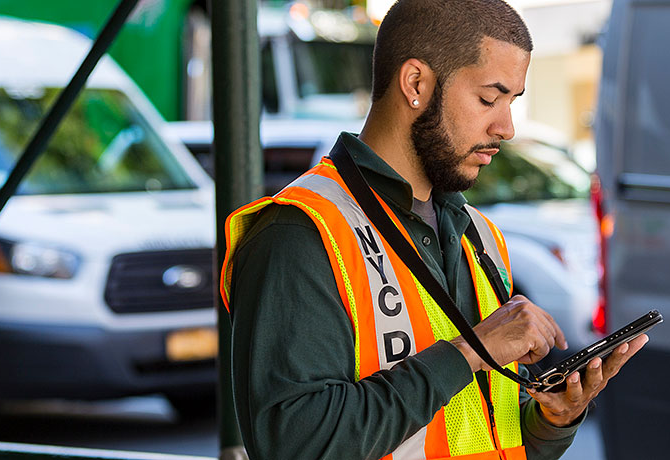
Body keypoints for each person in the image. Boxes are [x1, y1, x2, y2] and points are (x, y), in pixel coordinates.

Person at [219, 1, 648, 459]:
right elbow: (297, 445)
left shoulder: (480, 236)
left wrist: (553, 419)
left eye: (512, 102)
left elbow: (486, 437)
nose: (505, 127)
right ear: (416, 83)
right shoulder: (300, 233)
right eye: (489, 98)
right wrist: (469, 352)